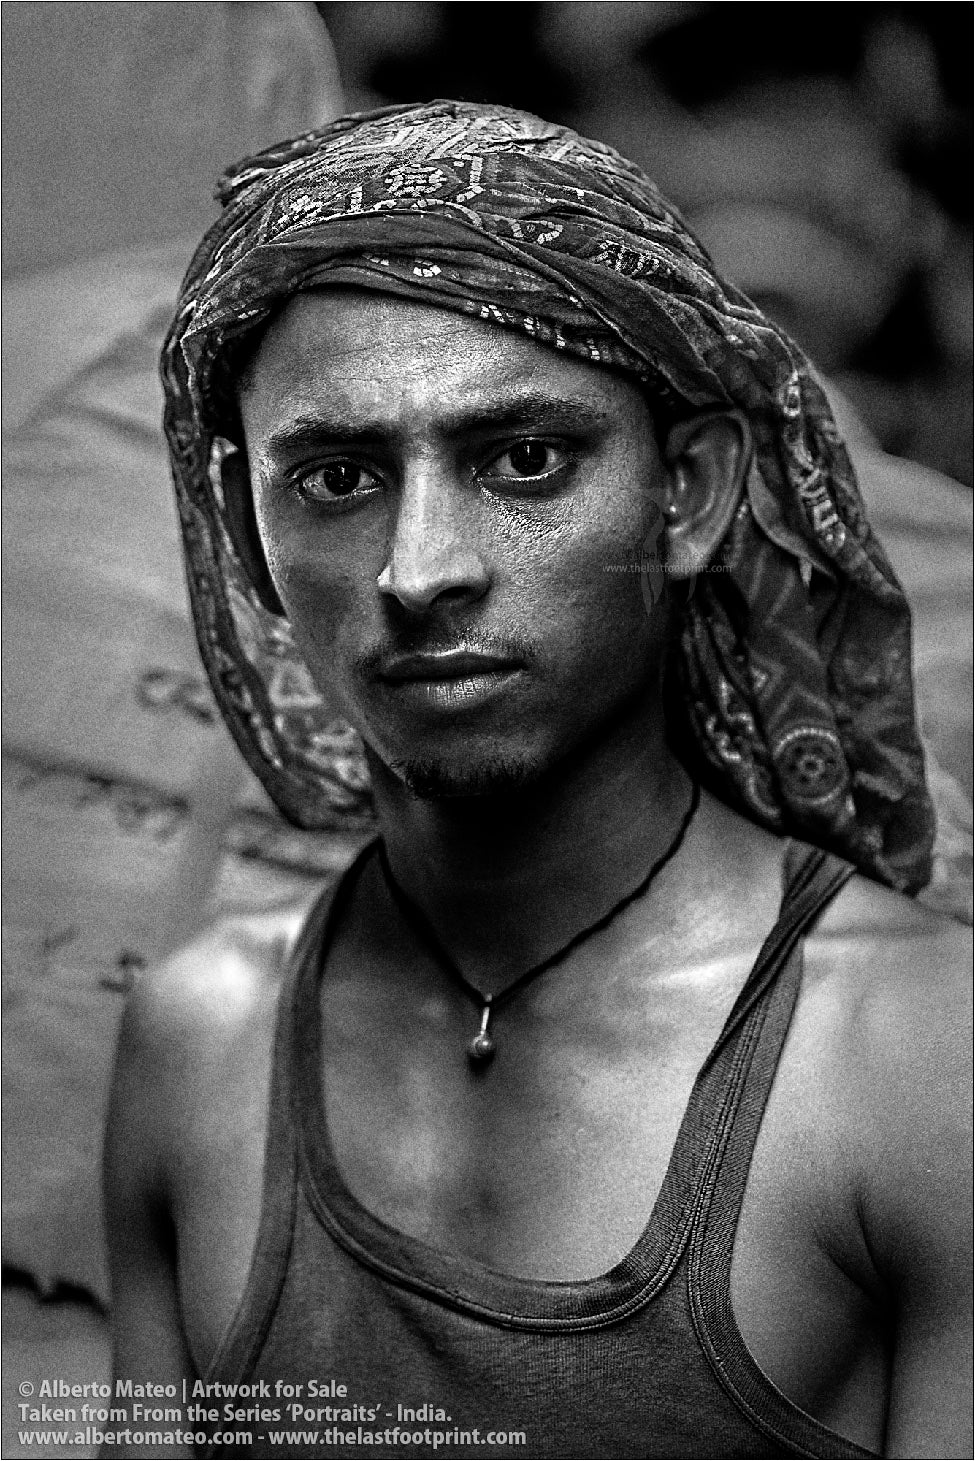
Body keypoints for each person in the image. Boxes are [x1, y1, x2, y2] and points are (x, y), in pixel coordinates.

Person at [102, 102, 971, 1461]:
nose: (419, 567)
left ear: (687, 494)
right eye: (337, 476)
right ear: (241, 535)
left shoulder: (913, 1055)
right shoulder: (200, 1039)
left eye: (523, 459)